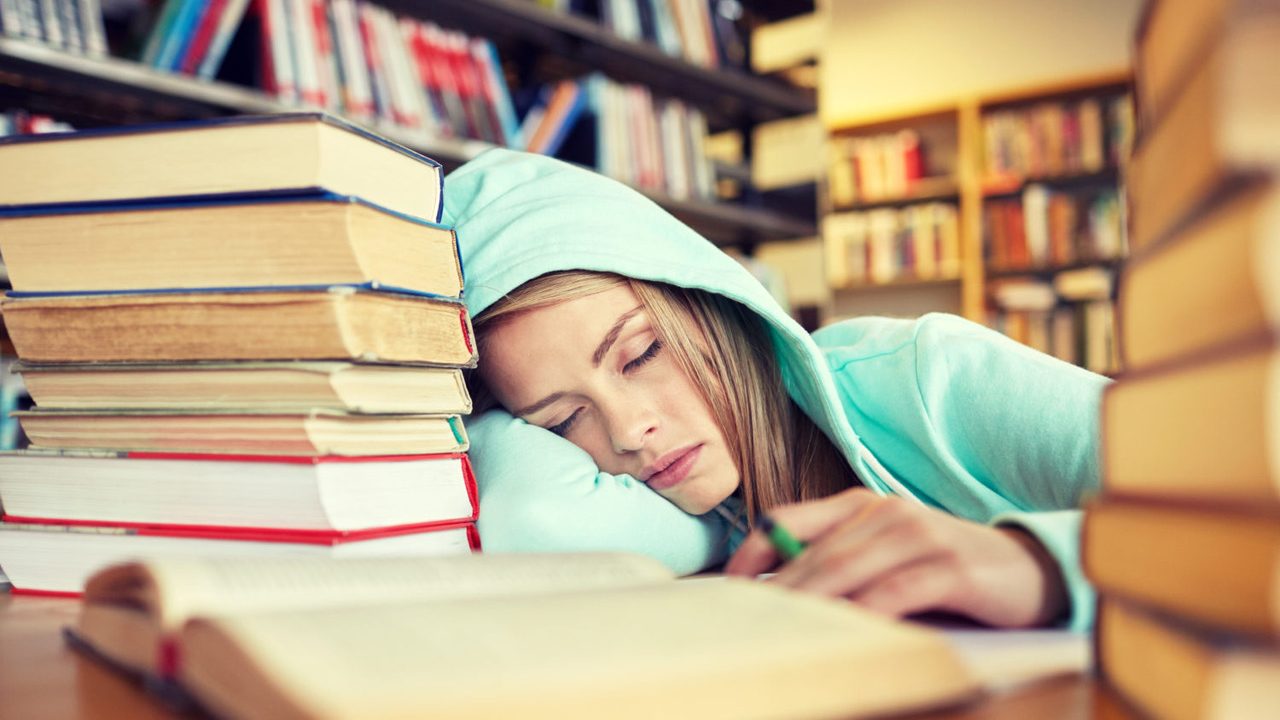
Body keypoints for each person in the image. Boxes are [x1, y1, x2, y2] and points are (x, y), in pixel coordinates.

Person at [445, 149, 1107, 631]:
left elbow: (1212, 501)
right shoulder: (700, 503)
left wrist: (1039, 564)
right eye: (563, 421)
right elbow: (531, 517)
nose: (625, 432)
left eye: (642, 354)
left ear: (709, 302)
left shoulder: (926, 374)